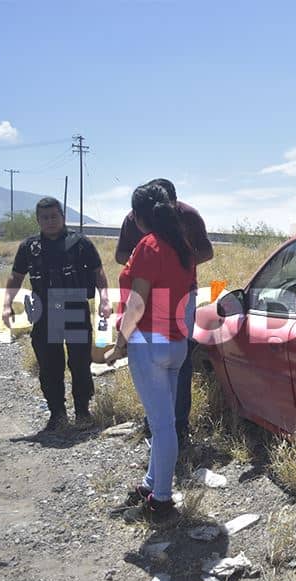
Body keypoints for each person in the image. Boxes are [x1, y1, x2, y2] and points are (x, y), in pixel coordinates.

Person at [106, 183, 198, 523]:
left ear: (136, 216)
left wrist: (120, 342)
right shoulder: (181, 246)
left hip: (149, 343)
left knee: (161, 428)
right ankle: (151, 484)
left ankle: (161, 500)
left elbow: (137, 301)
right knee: (167, 424)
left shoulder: (148, 246)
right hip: (175, 345)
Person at [115, 178, 213, 448]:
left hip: (179, 297)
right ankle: (159, 423)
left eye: (168, 204)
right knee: (161, 362)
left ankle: (174, 425)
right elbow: (120, 254)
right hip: (148, 295)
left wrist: (172, 261)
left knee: (175, 362)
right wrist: (147, 265)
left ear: (175, 203)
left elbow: (206, 252)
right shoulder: (135, 223)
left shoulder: (189, 217)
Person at [2, 197, 113, 432]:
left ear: (62, 216)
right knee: (49, 365)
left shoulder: (80, 243)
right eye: (45, 217)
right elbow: (16, 276)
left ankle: (83, 412)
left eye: (54, 216)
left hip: (74, 307)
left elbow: (98, 272)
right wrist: (6, 304)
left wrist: (105, 298)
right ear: (38, 220)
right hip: (43, 310)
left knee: (80, 363)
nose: (50, 221)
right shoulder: (29, 248)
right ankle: (57, 414)